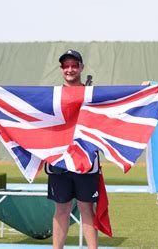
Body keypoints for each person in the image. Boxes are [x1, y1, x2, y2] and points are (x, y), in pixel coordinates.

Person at [46, 49, 99, 249]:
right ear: (61, 69)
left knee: (87, 209)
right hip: (59, 161)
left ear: (81, 68)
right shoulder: (53, 96)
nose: (70, 69)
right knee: (62, 209)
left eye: (74, 65)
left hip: (86, 160)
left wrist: (144, 89)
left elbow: (118, 101)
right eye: (66, 66)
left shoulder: (92, 94)